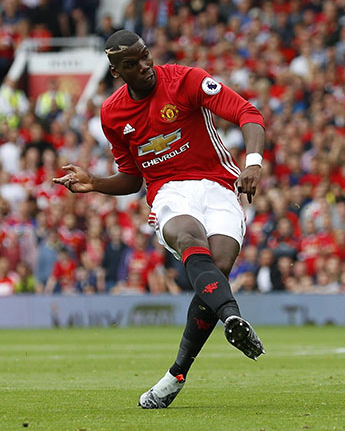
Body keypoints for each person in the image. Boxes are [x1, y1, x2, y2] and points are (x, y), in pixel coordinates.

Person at [53, 30, 266, 408]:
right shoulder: (112, 113)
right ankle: (232, 317)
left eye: (146, 55)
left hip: (218, 184)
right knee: (187, 236)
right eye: (132, 64)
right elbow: (133, 178)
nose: (145, 66)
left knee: (219, 264)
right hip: (169, 191)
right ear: (118, 71)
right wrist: (96, 183)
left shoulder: (186, 80)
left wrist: (253, 162)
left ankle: (175, 375)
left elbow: (247, 113)